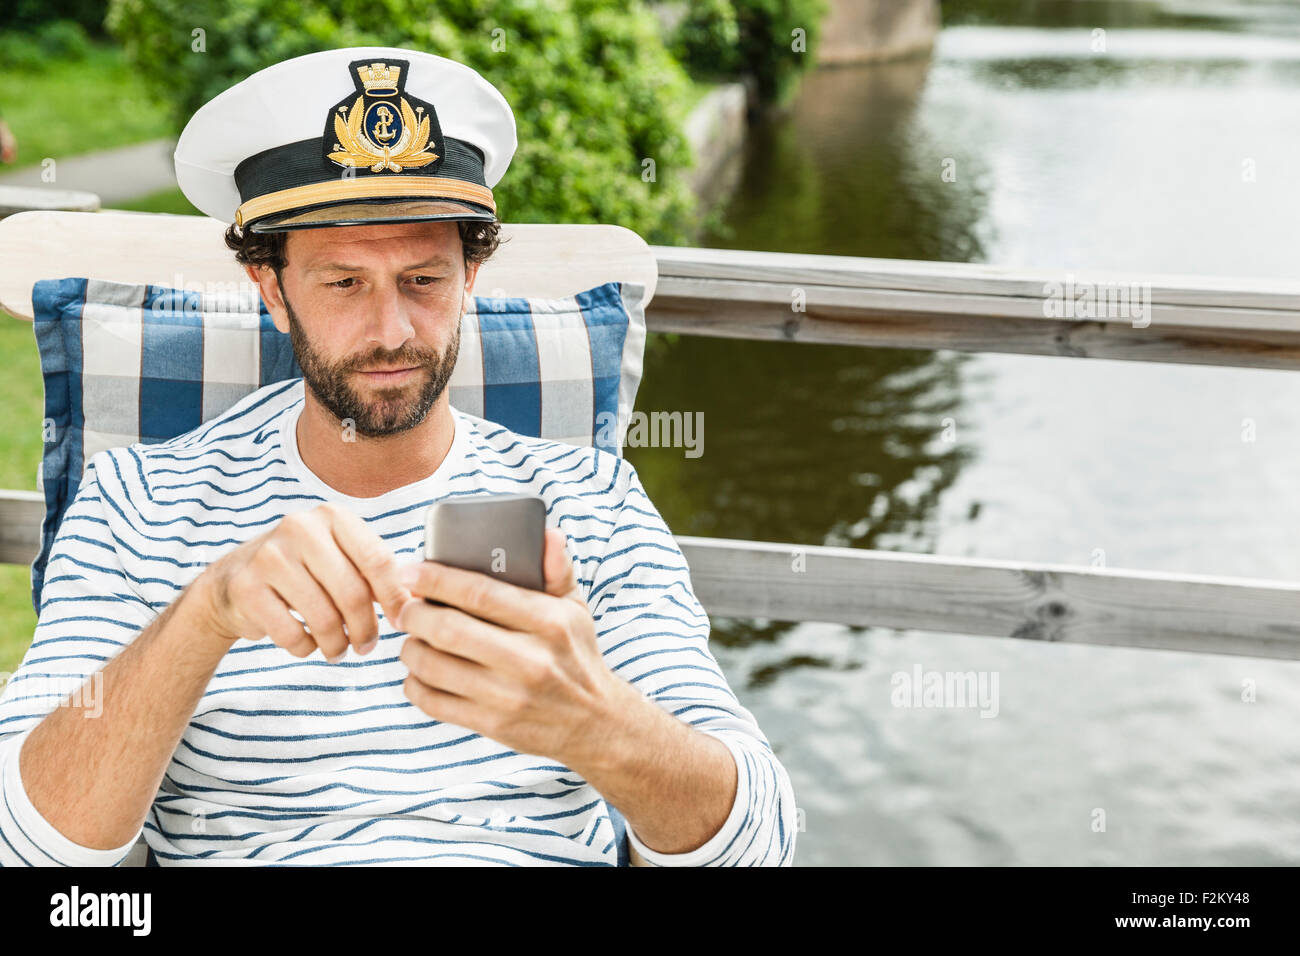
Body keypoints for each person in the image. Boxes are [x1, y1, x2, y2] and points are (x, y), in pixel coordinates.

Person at [0, 47, 797, 866]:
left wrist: (595, 725)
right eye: (344, 285)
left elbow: (758, 845)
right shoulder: (140, 501)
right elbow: (26, 844)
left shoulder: (589, 498)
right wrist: (207, 613)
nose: (392, 332)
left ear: (471, 275)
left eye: (423, 280)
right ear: (271, 289)